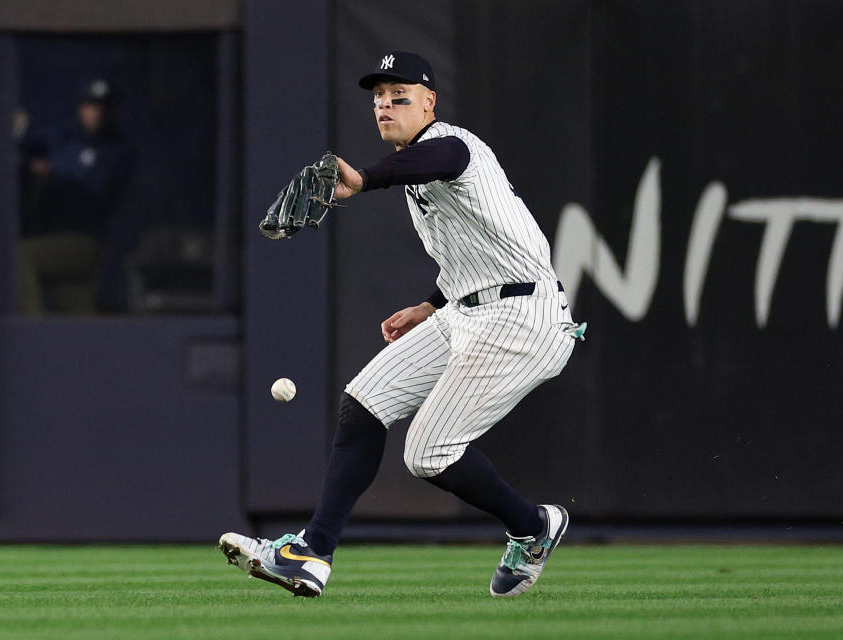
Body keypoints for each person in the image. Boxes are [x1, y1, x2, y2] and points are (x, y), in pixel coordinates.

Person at [220, 52, 585, 598]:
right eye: (378, 99)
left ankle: (534, 526)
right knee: (363, 403)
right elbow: (483, 246)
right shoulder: (422, 164)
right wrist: (430, 304)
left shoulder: (453, 145)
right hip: (468, 308)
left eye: (400, 95)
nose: (385, 106)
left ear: (430, 101)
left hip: (523, 319)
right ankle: (312, 554)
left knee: (427, 454)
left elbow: (434, 159)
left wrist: (364, 179)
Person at [16, 78, 132, 314]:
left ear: (112, 112)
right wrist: (17, 128)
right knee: (74, 311)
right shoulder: (67, 136)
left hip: (83, 241)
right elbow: (28, 140)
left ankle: (33, 339)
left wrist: (52, 170)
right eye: (90, 106)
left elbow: (91, 181)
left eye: (102, 108)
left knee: (21, 257)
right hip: (54, 237)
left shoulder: (116, 150)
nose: (95, 113)